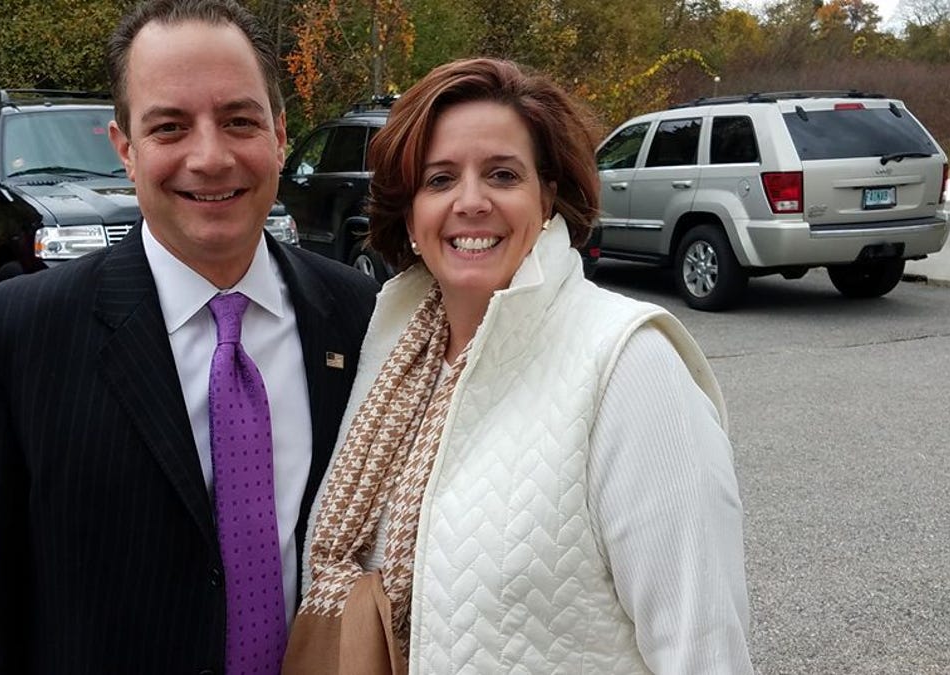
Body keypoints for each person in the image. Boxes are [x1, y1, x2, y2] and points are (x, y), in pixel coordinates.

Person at [0, 1, 379, 672]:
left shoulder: (360, 315)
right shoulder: (6, 340)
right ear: (126, 150)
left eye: (239, 120)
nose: (211, 156)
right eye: (170, 126)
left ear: (280, 135)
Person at [286, 58, 753, 673]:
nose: (470, 202)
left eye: (502, 175)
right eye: (440, 179)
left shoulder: (629, 365)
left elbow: (702, 649)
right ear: (409, 210)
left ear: (548, 193)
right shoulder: (393, 354)